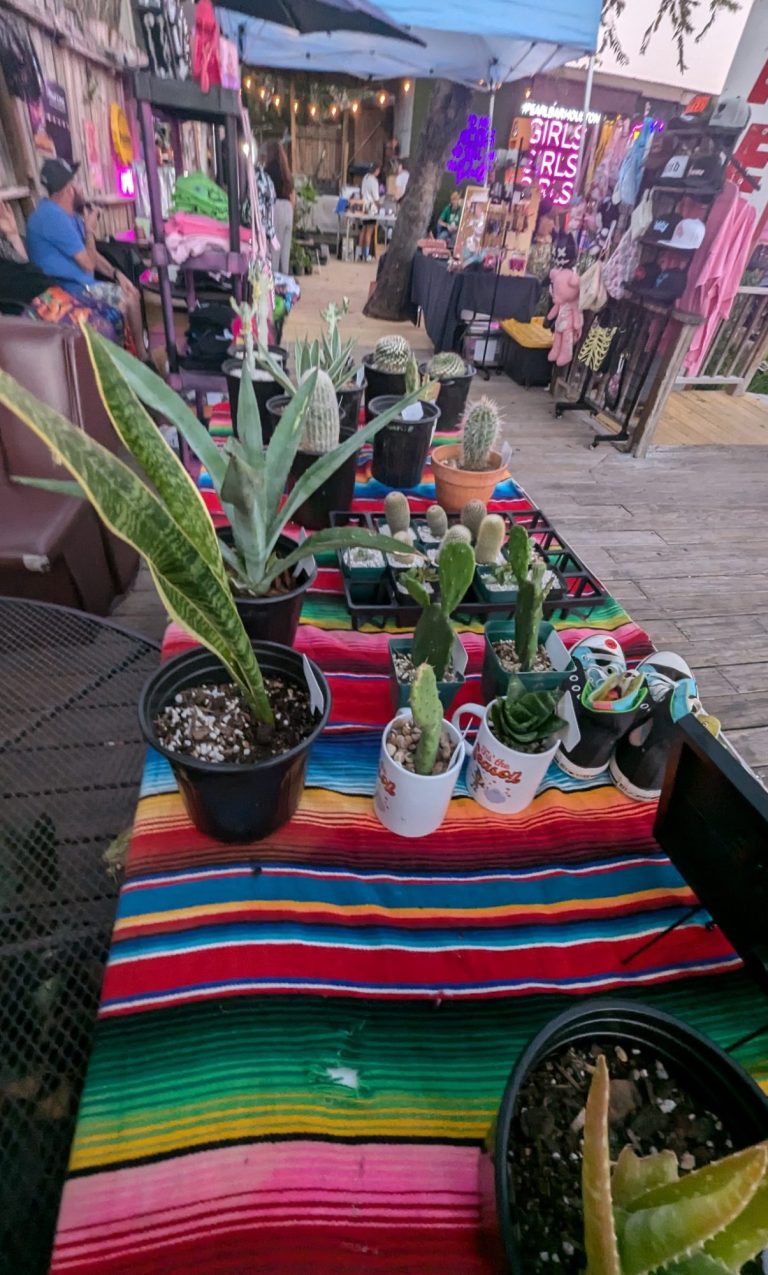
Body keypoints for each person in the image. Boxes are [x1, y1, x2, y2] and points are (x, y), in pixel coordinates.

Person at [26, 158, 144, 354]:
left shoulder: (69, 215)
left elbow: (92, 255)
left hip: (83, 285)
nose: (81, 188)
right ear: (68, 189)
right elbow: (88, 264)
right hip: (65, 291)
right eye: (77, 183)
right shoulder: (51, 217)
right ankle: (137, 357)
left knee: (131, 293)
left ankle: (139, 355)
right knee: (129, 300)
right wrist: (89, 230)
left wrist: (117, 274)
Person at [263, 140, 294, 277]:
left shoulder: (268, 170)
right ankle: (285, 281)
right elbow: (293, 195)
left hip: (276, 208)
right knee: (285, 254)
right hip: (288, 208)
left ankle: (274, 282)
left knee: (274, 251)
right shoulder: (286, 171)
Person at [358, 163, 381, 262]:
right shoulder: (374, 181)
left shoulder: (365, 177)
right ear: (376, 170)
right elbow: (376, 198)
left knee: (363, 230)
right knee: (369, 231)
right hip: (371, 208)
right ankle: (366, 255)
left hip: (364, 206)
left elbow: (362, 192)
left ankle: (359, 254)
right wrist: (380, 206)